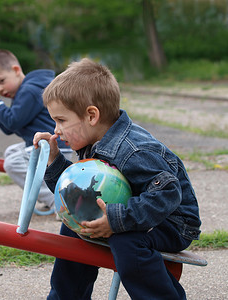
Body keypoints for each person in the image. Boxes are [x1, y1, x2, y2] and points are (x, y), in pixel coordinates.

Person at [33, 58, 201, 299]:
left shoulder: (134, 150)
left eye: (61, 120)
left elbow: (169, 195)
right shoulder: (93, 140)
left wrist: (116, 219)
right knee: (74, 226)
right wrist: (54, 159)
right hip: (130, 212)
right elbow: (75, 193)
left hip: (170, 222)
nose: (56, 130)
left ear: (91, 116)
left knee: (127, 242)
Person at [0, 49, 72, 210]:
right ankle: (52, 196)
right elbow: (9, 128)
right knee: (11, 152)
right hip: (45, 145)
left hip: (52, 147)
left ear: (16, 70)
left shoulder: (30, 90)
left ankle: (58, 201)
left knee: (12, 163)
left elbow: (12, 121)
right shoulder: (24, 90)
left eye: (1, 81)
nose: (0, 89)